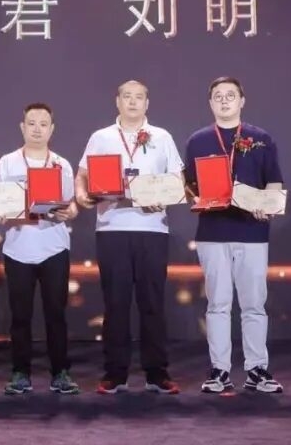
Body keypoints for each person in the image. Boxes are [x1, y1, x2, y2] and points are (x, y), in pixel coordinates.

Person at [74, 80, 184, 395]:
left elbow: (177, 180)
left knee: (153, 303)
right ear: (117, 101)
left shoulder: (162, 137)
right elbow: (83, 175)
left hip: (152, 229)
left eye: (139, 97)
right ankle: (115, 373)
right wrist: (81, 195)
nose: (133, 102)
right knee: (115, 304)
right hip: (112, 228)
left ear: (147, 103)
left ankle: (157, 373)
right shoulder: (101, 137)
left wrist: (163, 197)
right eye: (127, 96)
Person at [184, 76, 284, 395]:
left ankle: (257, 369)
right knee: (218, 304)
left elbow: (274, 182)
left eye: (231, 95)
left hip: (252, 231)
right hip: (212, 232)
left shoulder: (261, 138)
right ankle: (220, 371)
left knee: (254, 305)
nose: (224, 100)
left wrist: (267, 206)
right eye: (218, 96)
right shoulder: (197, 140)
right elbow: (188, 185)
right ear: (210, 103)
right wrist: (195, 197)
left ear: (242, 100)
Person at [0, 103, 80, 395]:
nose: (37, 129)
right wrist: (0, 213)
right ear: (22, 127)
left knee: (56, 314)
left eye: (44, 124)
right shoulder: (8, 163)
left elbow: (70, 205)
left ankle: (61, 372)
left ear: (52, 129)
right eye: (31, 123)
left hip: (54, 248)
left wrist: (70, 212)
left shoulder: (61, 164)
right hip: (18, 249)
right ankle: (20, 373)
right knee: (20, 316)